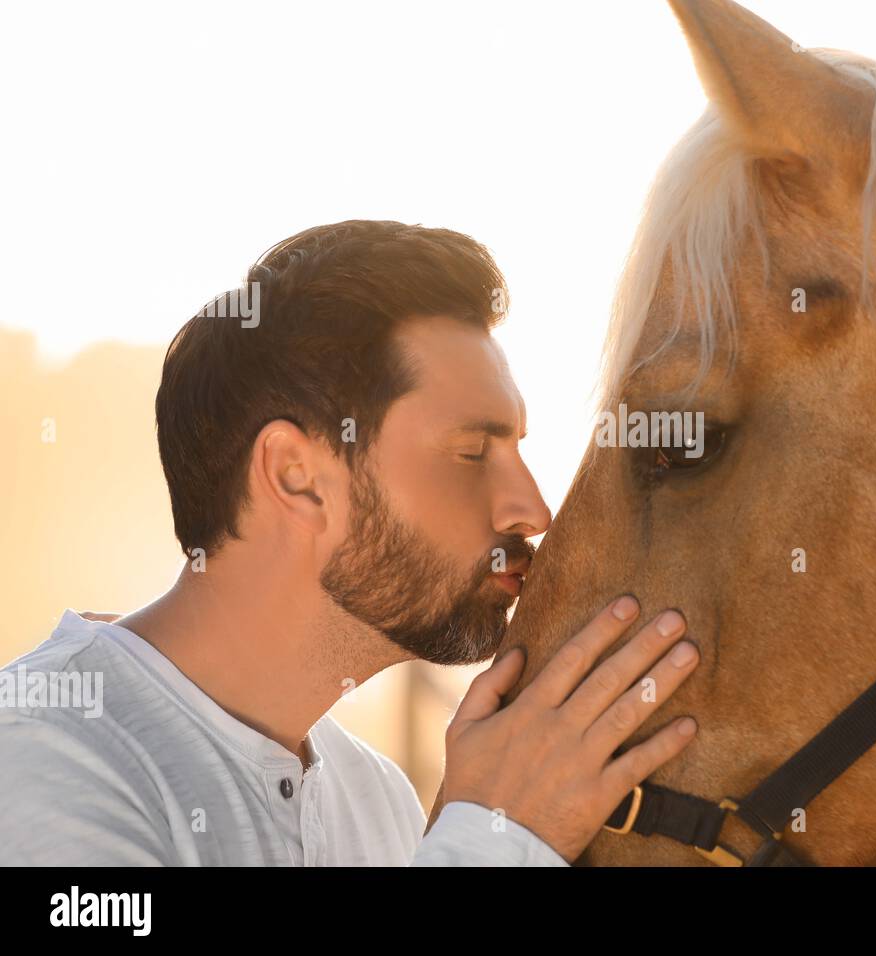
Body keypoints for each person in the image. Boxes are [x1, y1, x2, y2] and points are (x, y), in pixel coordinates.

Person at [0, 220, 700, 866]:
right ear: (297, 477)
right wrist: (504, 836)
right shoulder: (41, 756)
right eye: (471, 452)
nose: (533, 510)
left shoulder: (379, 802)